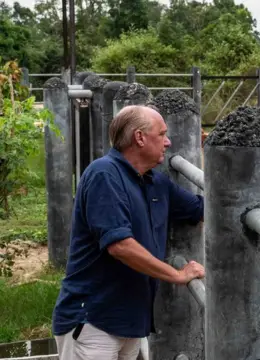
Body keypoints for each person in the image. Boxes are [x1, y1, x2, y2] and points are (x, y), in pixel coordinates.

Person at [51, 105, 205, 360]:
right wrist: (177, 275)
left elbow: (203, 209)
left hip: (131, 323)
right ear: (140, 137)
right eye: (162, 134)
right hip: (93, 323)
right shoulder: (104, 175)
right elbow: (120, 246)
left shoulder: (156, 182)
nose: (168, 142)